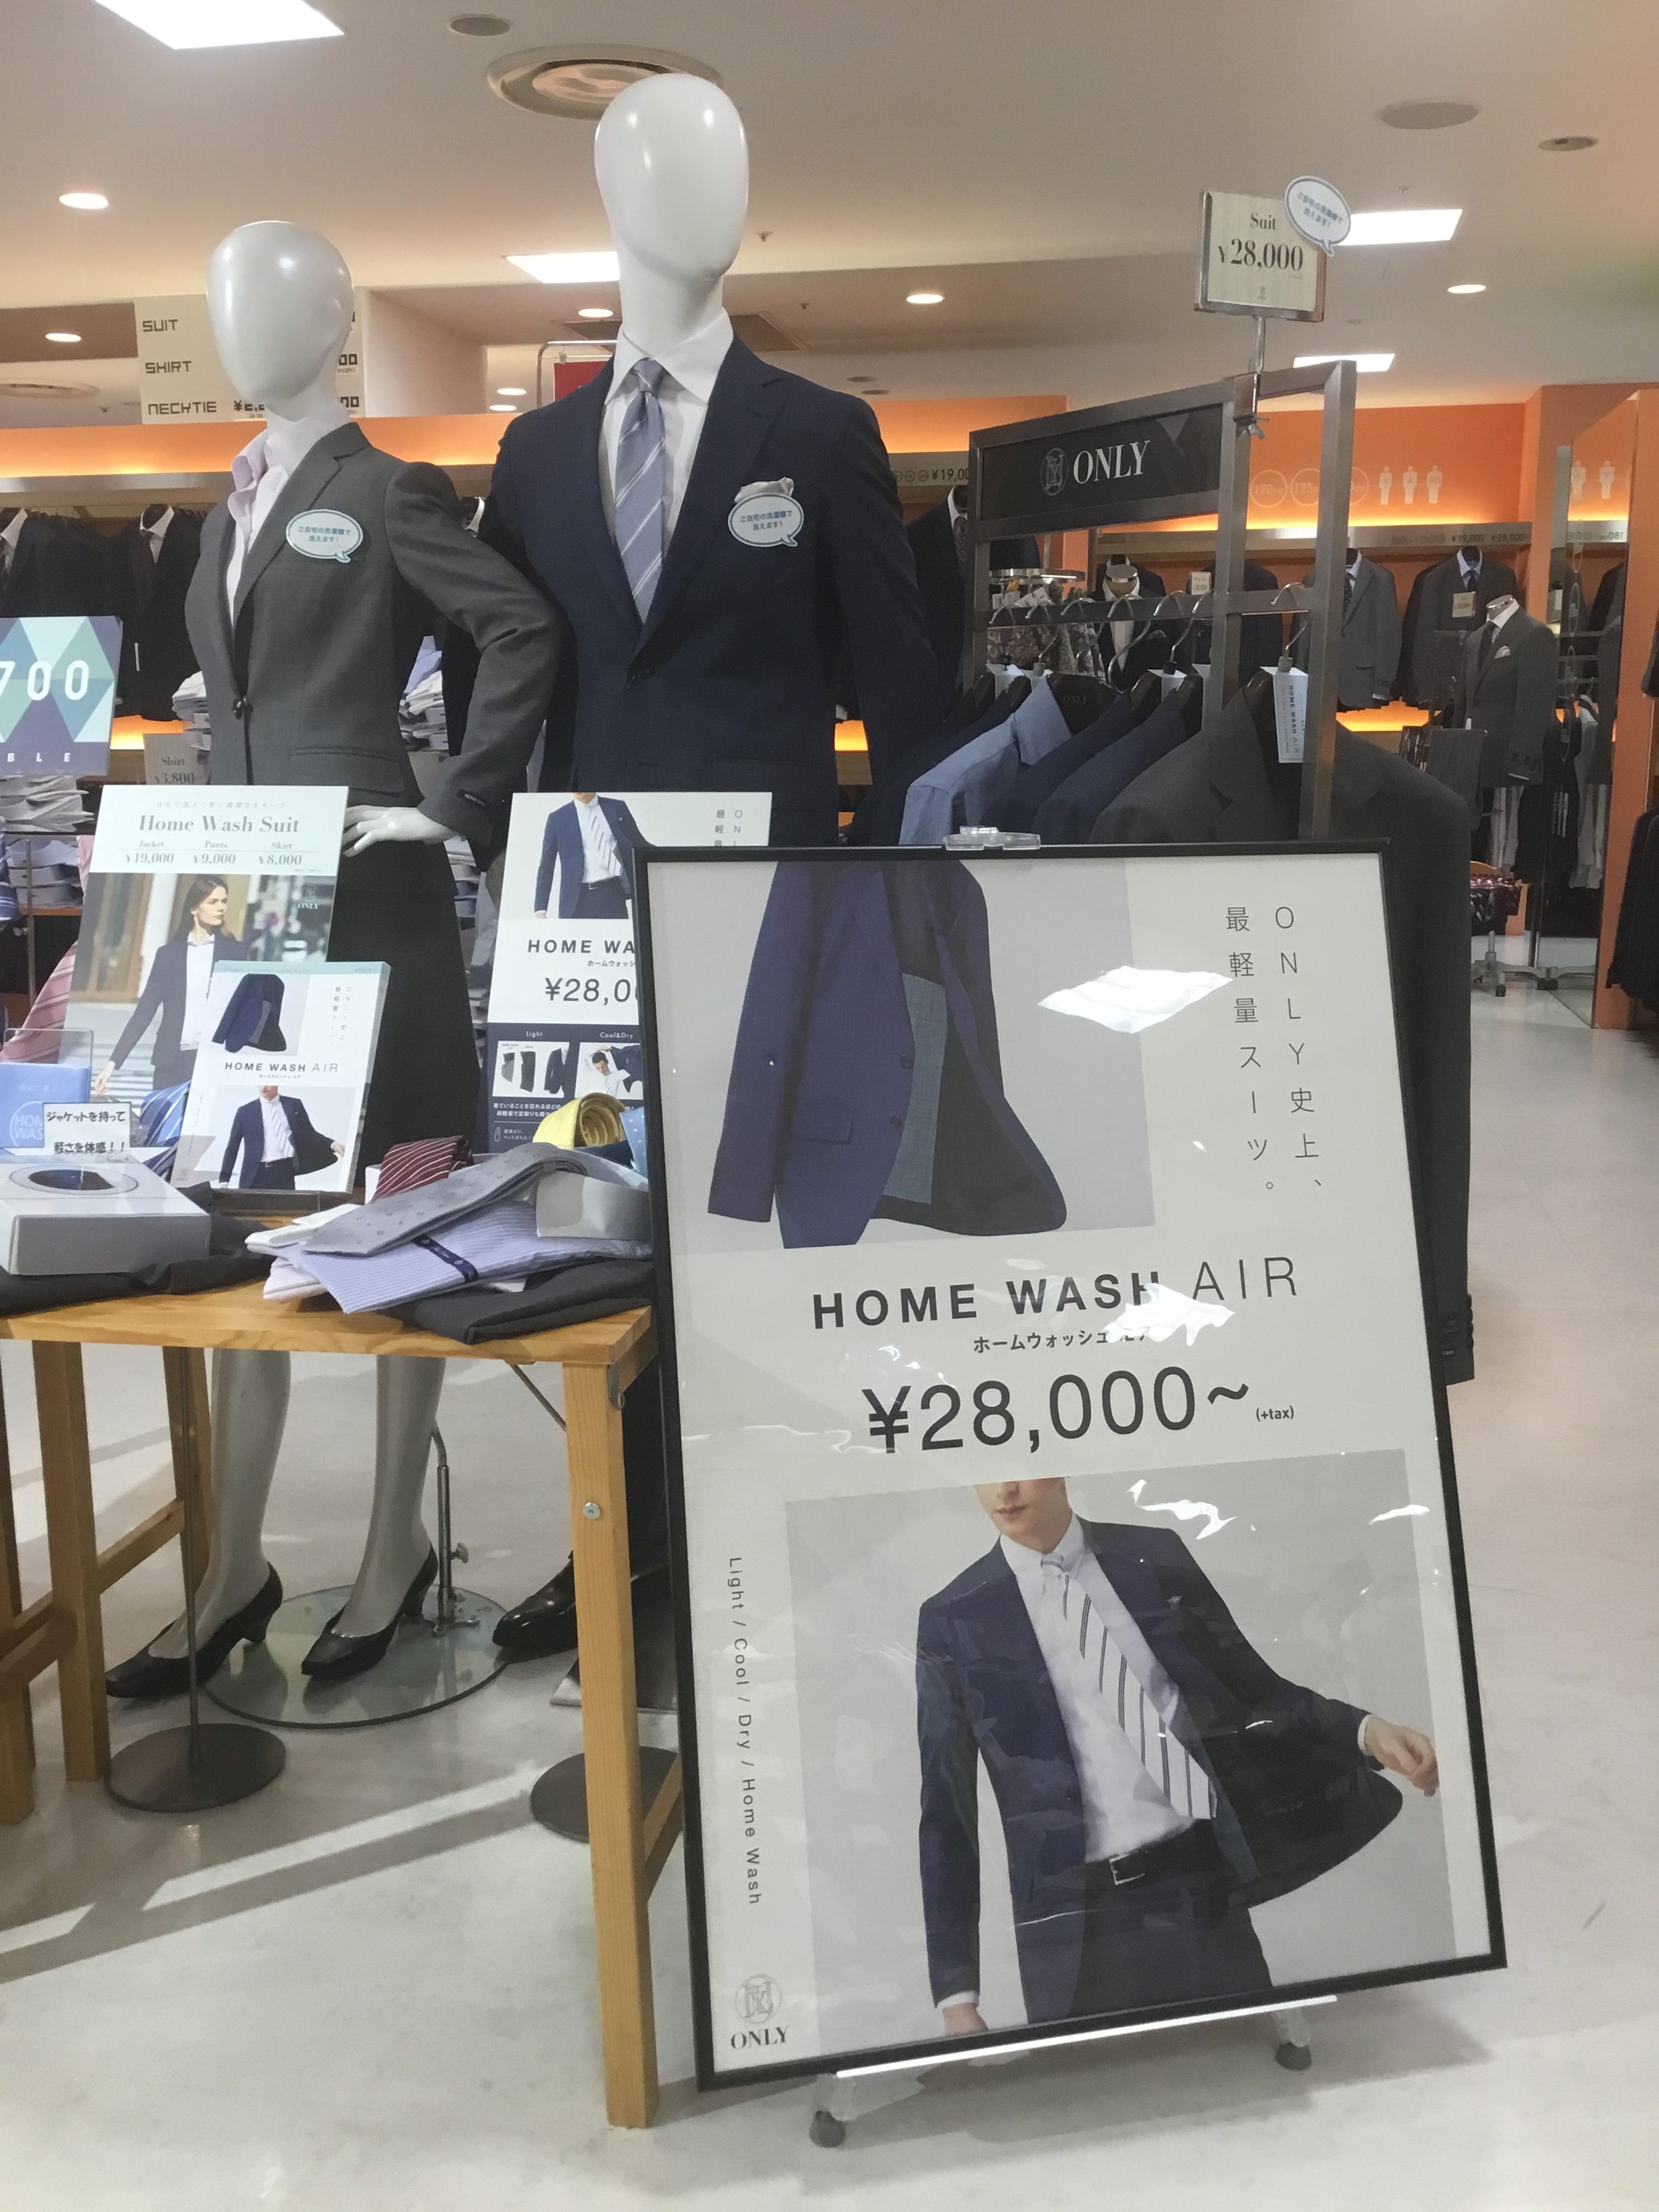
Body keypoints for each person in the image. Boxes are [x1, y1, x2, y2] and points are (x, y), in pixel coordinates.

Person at [916, 1477, 1439, 2034]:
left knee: (1239, 2063)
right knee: (1103, 2085)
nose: (1005, 1489)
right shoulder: (954, 1617)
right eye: (986, 1473)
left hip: (1200, 1883)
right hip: (1077, 1922)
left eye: (1021, 1465)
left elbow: (1251, 1688)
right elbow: (947, 1810)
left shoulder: (1150, 1554)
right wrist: (957, 1995)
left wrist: (1365, 1730)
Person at [92, 874, 247, 1095]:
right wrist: (112, 1064)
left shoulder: (235, 952)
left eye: (224, 901)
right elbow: (144, 1011)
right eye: (213, 902)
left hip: (213, 1059)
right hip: (171, 1061)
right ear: (194, 908)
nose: (221, 908)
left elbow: (245, 1009)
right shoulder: (168, 955)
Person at [532, 792, 651, 919]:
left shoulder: (616, 807)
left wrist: (664, 859)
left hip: (612, 892)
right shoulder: (558, 818)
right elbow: (547, 865)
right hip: (576, 900)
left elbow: (639, 844)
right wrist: (540, 909)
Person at [219, 1082, 342, 1191]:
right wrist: (224, 1180)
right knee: (251, 1209)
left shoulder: (294, 1105)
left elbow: (309, 1133)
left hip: (284, 1171)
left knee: (285, 1208)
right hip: (255, 1174)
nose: (264, 1087)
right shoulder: (245, 1111)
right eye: (260, 1082)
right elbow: (232, 1147)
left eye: (269, 1082)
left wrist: (332, 1144)